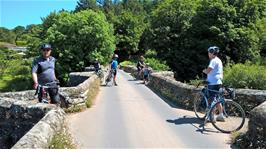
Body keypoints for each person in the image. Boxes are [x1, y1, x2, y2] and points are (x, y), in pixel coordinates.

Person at [203, 46, 225, 122]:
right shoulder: (219, 60)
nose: (208, 54)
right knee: (217, 99)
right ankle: (221, 115)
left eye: (209, 52)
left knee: (212, 99)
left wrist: (204, 71)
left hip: (213, 83)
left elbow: (209, 70)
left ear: (212, 53)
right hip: (219, 82)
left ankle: (211, 117)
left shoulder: (213, 60)